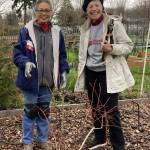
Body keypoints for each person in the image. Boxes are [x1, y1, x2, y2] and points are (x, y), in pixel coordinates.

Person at [75, 0, 135, 149]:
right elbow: (84, 53)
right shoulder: (85, 27)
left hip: (107, 73)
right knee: (96, 108)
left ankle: (118, 144)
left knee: (111, 110)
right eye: (90, 6)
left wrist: (112, 48)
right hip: (91, 73)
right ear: (86, 10)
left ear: (102, 7)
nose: (94, 9)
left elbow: (128, 46)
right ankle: (100, 138)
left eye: (96, 5)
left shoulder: (113, 24)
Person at [13, 0, 69, 150]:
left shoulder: (57, 32)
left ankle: (42, 140)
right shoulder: (26, 30)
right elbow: (17, 53)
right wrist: (25, 63)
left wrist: (64, 70)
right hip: (31, 80)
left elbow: (62, 55)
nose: (44, 13)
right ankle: (27, 141)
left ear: (51, 12)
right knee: (30, 112)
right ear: (35, 11)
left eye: (47, 10)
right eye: (41, 10)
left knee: (44, 112)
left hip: (48, 81)